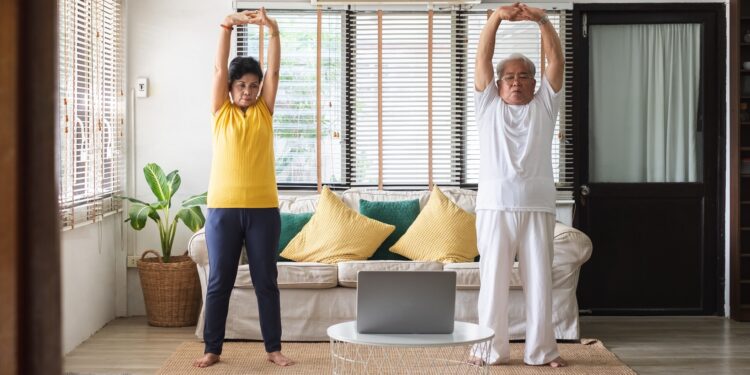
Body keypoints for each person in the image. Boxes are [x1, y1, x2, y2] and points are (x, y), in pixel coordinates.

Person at [193, 8, 294, 368]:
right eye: (242, 85)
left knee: (266, 281)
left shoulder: (265, 111)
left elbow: (275, 70)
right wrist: (227, 25)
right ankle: (212, 350)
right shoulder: (221, 111)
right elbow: (220, 68)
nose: (249, 91)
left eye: (254, 85)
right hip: (222, 210)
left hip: (263, 210)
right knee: (219, 281)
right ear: (231, 88)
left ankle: (273, 349)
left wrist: (273, 30)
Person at [473, 2, 566, 367]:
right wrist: (495, 18)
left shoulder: (544, 105)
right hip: (494, 207)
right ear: (498, 84)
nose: (515, 81)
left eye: (523, 76)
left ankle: (541, 351)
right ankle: (487, 350)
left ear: (534, 81)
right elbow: (482, 56)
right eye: (508, 77)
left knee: (540, 285)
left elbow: (555, 61)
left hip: (538, 206)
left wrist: (542, 20)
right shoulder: (487, 105)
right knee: (492, 284)